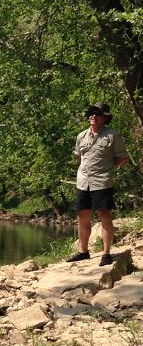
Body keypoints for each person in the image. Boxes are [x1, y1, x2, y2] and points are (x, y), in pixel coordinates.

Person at [66, 102, 128, 266]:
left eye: (97, 113)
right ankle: (83, 251)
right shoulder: (81, 136)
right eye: (91, 113)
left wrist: (107, 168)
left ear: (105, 118)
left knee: (104, 215)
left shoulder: (113, 136)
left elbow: (122, 157)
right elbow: (79, 157)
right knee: (82, 215)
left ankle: (106, 254)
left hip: (102, 181)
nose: (93, 116)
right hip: (83, 181)